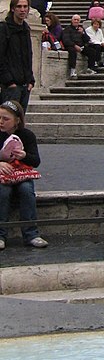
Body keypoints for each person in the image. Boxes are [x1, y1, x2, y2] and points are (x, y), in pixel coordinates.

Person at [0, 98, 47, 249]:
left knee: (26, 190)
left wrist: (24, 155)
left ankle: (31, 234)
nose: (1, 122)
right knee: (3, 192)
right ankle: (0, 235)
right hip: (2, 176)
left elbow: (36, 161)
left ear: (17, 120)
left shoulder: (27, 135)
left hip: (21, 174)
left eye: (5, 119)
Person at [0, 0, 35, 111]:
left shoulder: (26, 29)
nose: (22, 9)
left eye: (25, 6)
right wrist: (9, 81)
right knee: (7, 121)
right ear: (13, 9)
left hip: (25, 84)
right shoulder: (4, 29)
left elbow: (28, 56)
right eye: (19, 6)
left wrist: (31, 80)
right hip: (11, 85)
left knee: (19, 123)